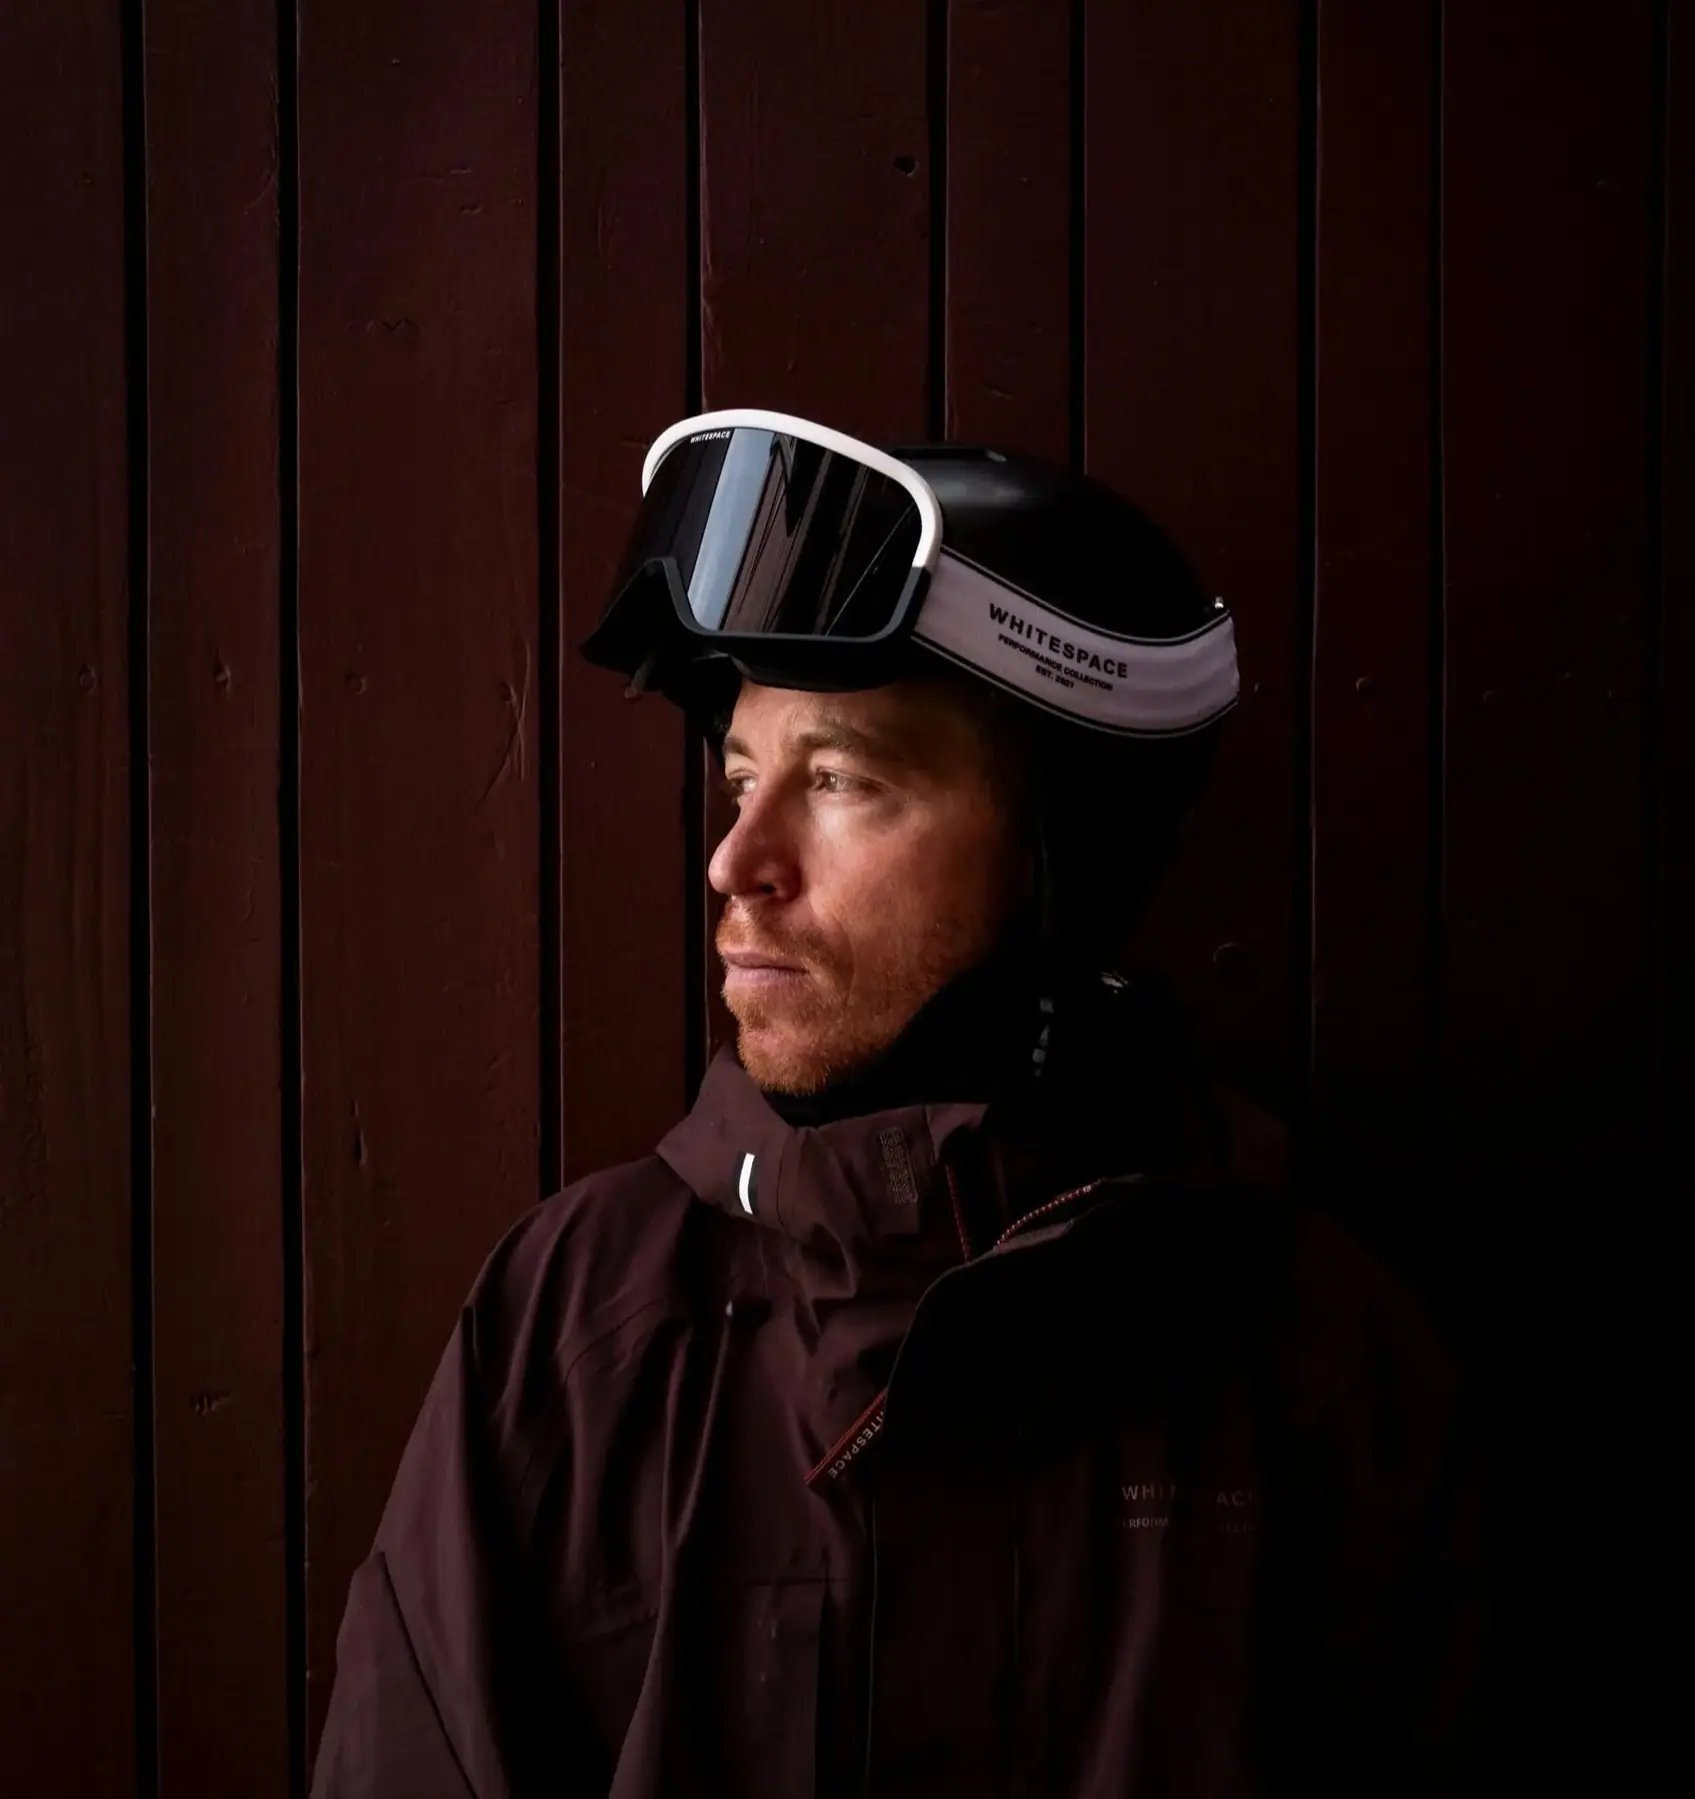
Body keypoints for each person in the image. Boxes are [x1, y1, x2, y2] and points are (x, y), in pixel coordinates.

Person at [312, 411, 1483, 1796]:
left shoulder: (1320, 1357)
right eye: (742, 777)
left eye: (840, 780)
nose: (736, 861)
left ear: (1061, 851)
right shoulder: (572, 1318)